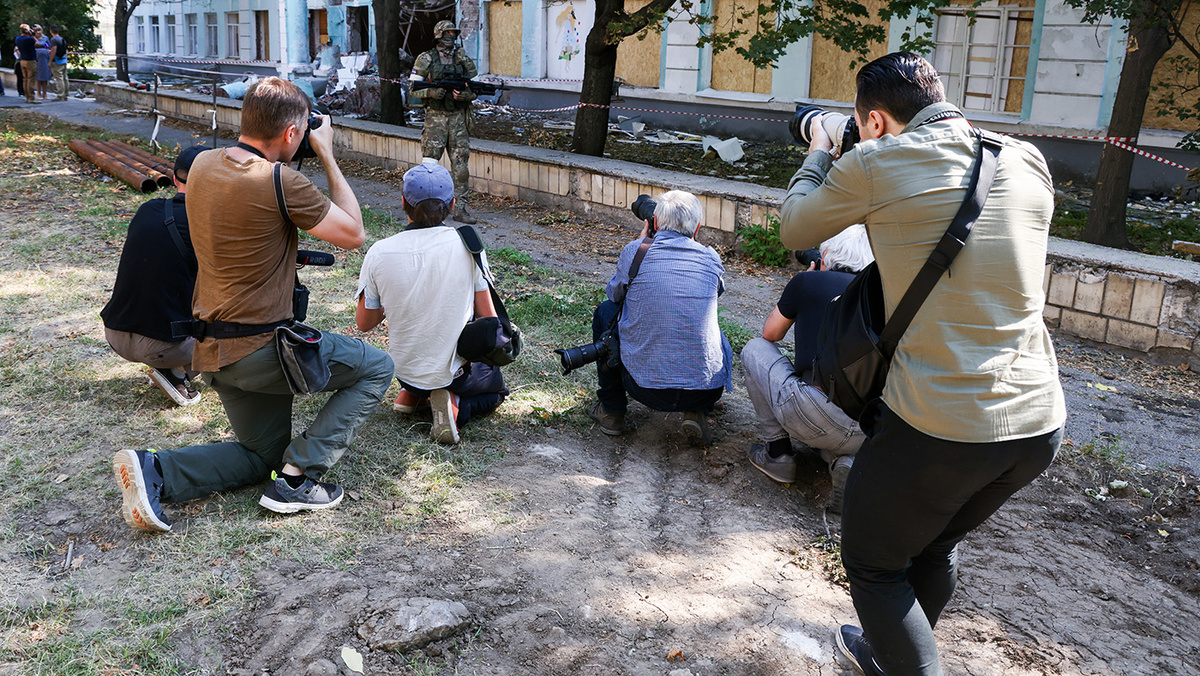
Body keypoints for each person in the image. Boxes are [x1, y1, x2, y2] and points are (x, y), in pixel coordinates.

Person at [779, 52, 1066, 676]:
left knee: (876, 564)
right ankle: (890, 655)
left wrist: (823, 147)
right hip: (1038, 420)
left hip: (942, 422)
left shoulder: (874, 162)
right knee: (933, 545)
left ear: (874, 121)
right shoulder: (1023, 158)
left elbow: (795, 226)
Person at [112, 77, 394, 533]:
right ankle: (300, 478)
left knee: (261, 456)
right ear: (290, 133)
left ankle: (156, 471)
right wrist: (326, 153)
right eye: (302, 131)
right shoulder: (282, 182)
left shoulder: (202, 165)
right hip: (263, 351)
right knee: (377, 366)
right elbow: (354, 233)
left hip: (211, 351)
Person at [355, 159, 508, 444]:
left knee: (419, 361)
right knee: (496, 390)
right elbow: (488, 317)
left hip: (404, 371)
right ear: (451, 204)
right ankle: (454, 404)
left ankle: (412, 394)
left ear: (403, 202)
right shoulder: (467, 243)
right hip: (454, 374)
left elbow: (365, 323)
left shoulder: (379, 252)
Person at [740, 224, 873, 511]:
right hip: (870, 426)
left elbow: (770, 334)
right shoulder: (885, 296)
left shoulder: (808, 282)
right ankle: (845, 461)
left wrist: (807, 286)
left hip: (813, 411)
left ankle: (777, 454)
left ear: (825, 256)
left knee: (753, 349)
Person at [586, 190, 732, 446]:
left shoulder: (635, 251)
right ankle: (696, 411)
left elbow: (615, 295)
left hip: (644, 388)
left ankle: (612, 411)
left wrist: (641, 246)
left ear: (653, 223)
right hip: (706, 391)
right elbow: (715, 293)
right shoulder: (711, 258)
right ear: (697, 228)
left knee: (605, 312)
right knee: (707, 326)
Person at [101, 146, 209, 407]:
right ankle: (177, 370)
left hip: (114, 334)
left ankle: (173, 370)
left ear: (174, 179)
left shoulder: (148, 209)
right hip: (162, 345)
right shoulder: (209, 223)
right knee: (245, 327)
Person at [410, 20, 478, 225]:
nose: (451, 35)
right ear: (438, 34)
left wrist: (466, 96)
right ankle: (422, 206)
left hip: (457, 120)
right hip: (435, 120)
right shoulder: (426, 58)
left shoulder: (462, 58)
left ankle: (461, 208)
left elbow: (475, 86)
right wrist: (431, 92)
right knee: (429, 166)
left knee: (461, 167)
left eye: (454, 32)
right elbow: (413, 88)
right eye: (447, 32)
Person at [15, 25, 38, 104]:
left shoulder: (17, 39)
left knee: (25, 80)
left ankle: (27, 97)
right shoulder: (29, 39)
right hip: (30, 60)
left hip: (22, 60)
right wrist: (33, 36)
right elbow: (37, 44)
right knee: (31, 79)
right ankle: (32, 97)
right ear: (27, 31)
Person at [48, 25, 67, 101]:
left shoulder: (53, 40)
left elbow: (54, 50)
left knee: (59, 79)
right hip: (63, 59)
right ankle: (65, 94)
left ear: (51, 31)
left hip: (56, 61)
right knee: (65, 78)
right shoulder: (62, 39)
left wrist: (50, 61)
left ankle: (60, 95)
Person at [33, 25, 50, 101]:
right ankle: (39, 94)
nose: (38, 32)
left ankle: (45, 94)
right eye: (36, 30)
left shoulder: (45, 38)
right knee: (38, 77)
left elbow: (48, 46)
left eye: (39, 30)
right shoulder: (32, 38)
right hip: (36, 58)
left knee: (45, 76)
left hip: (45, 58)